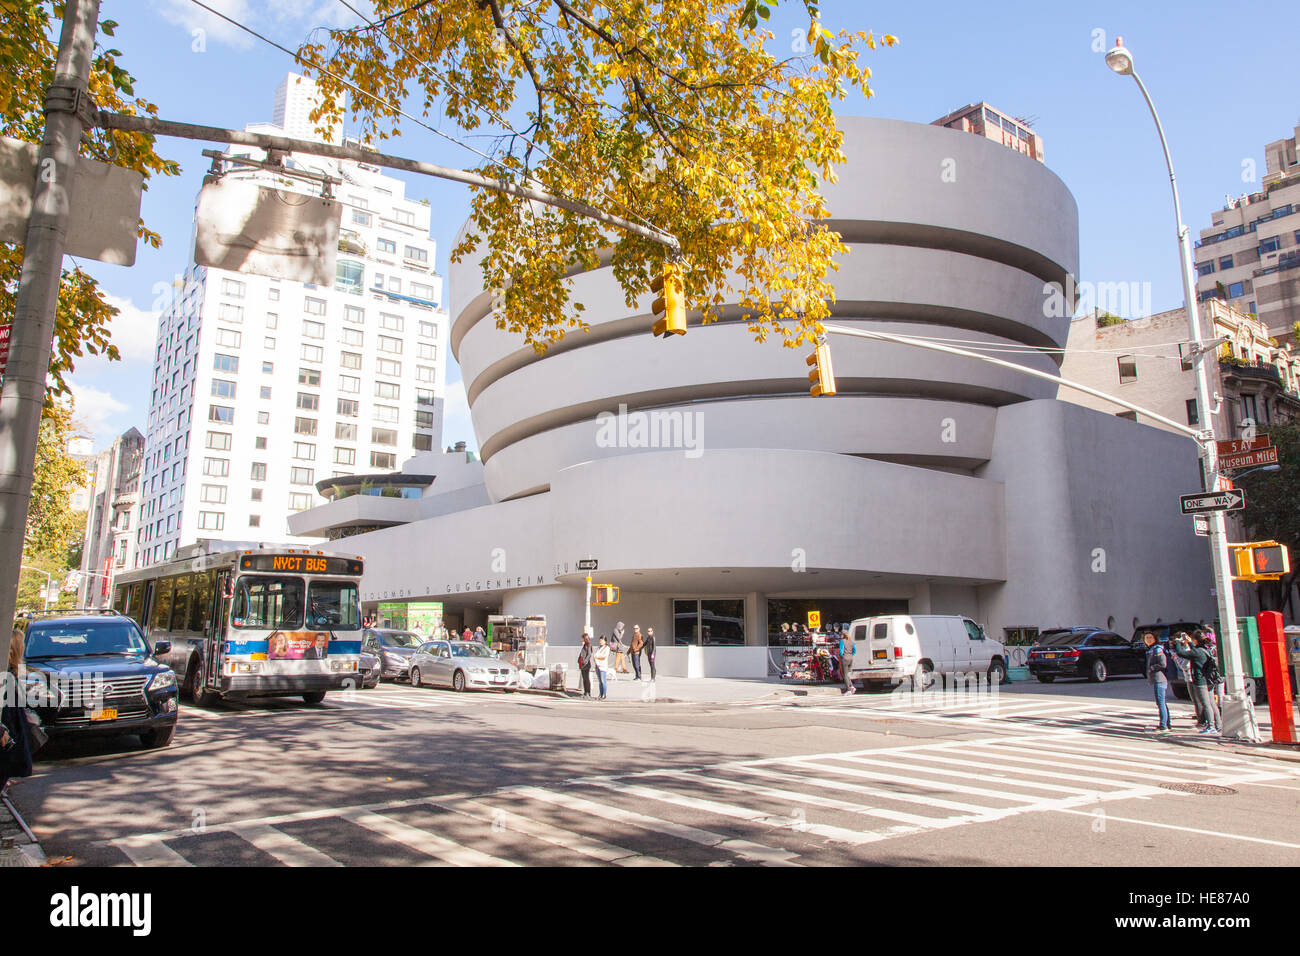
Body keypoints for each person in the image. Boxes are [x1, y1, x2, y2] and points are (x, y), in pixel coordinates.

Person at [1172, 632, 1221, 735]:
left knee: (1206, 704)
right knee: (1212, 703)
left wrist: (1176, 642)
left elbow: (1181, 653)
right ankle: (1218, 725)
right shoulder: (1204, 649)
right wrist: (1190, 642)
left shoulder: (1197, 652)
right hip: (1209, 680)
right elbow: (1195, 650)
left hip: (1201, 681)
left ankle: (1211, 726)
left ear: (1195, 640)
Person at [1142, 631, 1173, 733]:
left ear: (1155, 638)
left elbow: (1162, 664)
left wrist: (1152, 668)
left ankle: (1163, 725)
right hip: (1157, 679)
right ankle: (1167, 724)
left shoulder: (1157, 649)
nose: (1148, 639)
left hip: (1160, 678)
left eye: (1150, 637)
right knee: (1161, 702)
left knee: (1161, 702)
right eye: (1146, 638)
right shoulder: (1151, 650)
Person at [839, 627, 856, 695]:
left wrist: (841, 656)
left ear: (843, 635)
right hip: (850, 658)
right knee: (848, 673)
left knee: (845, 675)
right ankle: (851, 686)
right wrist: (851, 655)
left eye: (841, 634)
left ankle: (848, 689)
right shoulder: (851, 641)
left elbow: (841, 651)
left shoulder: (842, 641)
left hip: (845, 658)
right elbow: (854, 650)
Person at [593, 635, 611, 700]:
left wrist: (597, 657)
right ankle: (600, 694)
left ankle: (604, 694)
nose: (600, 642)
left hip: (603, 666)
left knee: (603, 681)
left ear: (605, 641)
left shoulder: (607, 648)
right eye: (600, 640)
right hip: (597, 666)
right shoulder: (598, 648)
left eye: (602, 640)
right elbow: (595, 655)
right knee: (600, 681)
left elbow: (604, 656)